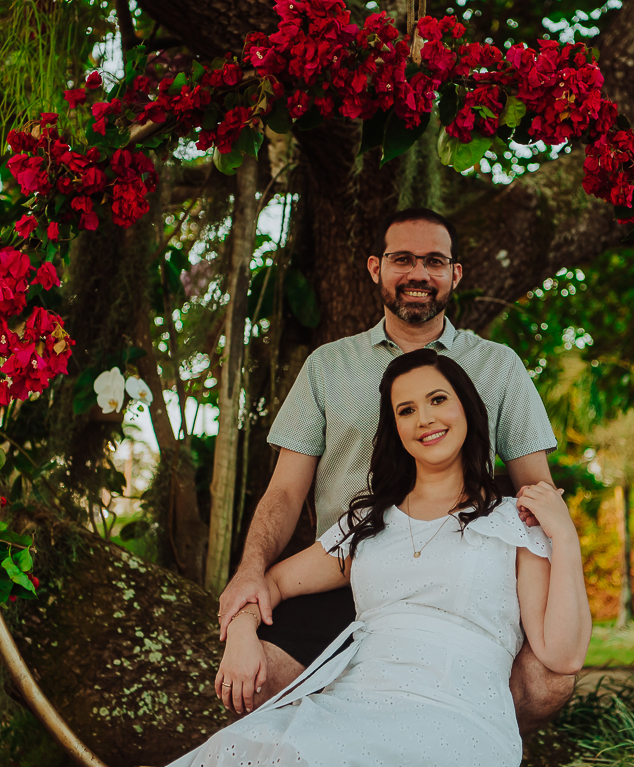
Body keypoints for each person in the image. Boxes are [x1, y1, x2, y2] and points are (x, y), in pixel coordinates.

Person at [214, 207, 575, 728]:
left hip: (459, 585)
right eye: (402, 259)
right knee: (251, 678)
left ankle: (465, 739)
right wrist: (250, 575)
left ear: (455, 274)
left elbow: (537, 490)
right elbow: (285, 493)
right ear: (375, 268)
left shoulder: (498, 366)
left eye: (434, 261)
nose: (418, 275)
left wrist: (556, 557)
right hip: (347, 569)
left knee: (547, 680)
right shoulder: (328, 366)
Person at [169, 350, 591, 767]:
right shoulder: (368, 524)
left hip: (461, 718)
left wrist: (564, 536)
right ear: (396, 430)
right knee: (250, 750)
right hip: (352, 706)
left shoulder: (513, 522)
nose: (424, 418)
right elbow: (271, 583)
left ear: (467, 407)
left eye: (438, 399)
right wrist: (242, 631)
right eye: (406, 410)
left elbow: (563, 655)